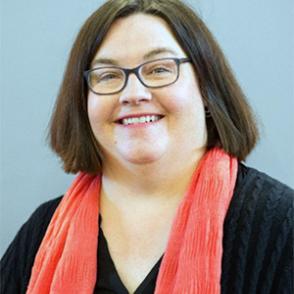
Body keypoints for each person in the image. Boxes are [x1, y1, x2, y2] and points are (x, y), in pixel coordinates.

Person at [1, 0, 293, 293]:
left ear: (206, 86)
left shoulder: (283, 224)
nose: (133, 94)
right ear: (83, 101)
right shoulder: (42, 233)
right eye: (108, 75)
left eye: (159, 69)